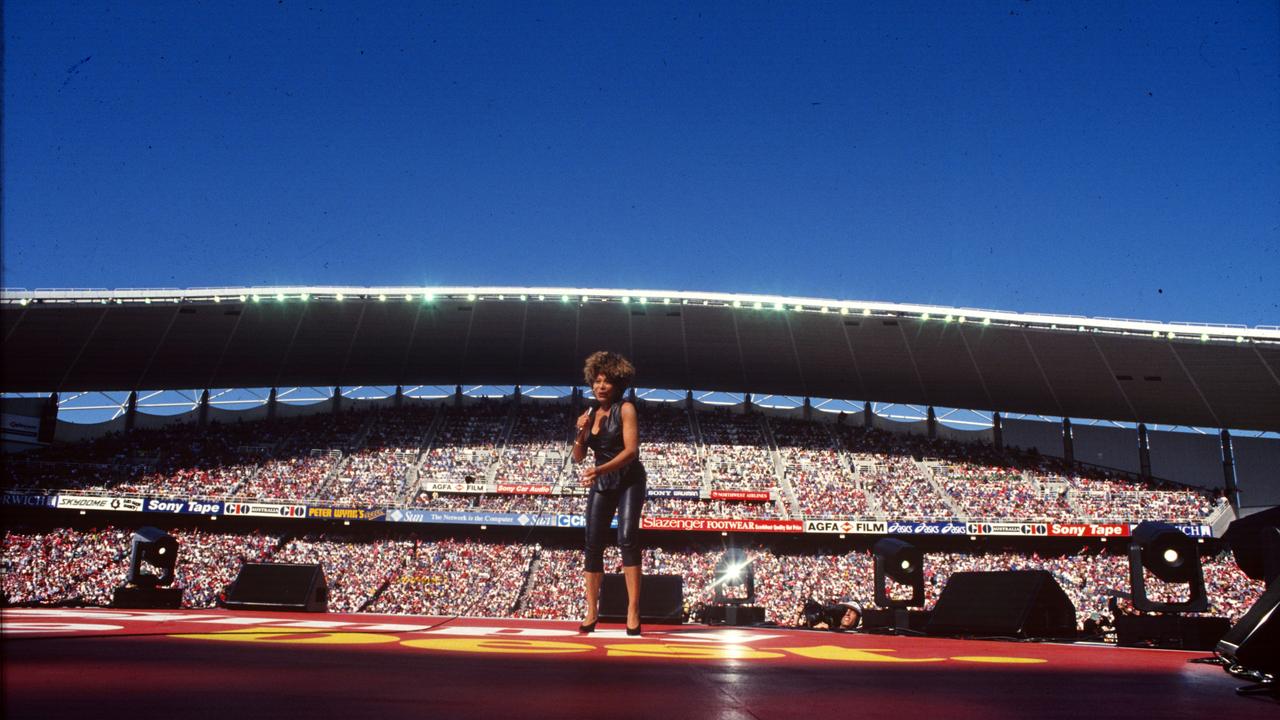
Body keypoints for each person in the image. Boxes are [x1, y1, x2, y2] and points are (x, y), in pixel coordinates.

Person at [572, 351, 646, 636]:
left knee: (627, 538)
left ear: (618, 385)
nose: (600, 386)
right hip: (602, 482)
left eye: (607, 381)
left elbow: (631, 451)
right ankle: (592, 610)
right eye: (597, 381)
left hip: (629, 480)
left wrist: (600, 470)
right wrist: (580, 432)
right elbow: (578, 457)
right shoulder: (589, 414)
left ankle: (633, 609)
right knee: (592, 544)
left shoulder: (626, 409)